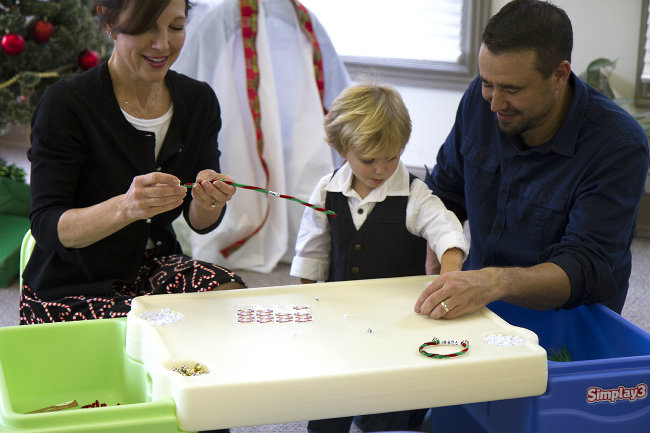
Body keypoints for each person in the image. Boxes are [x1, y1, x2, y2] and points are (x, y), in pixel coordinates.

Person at [415, 0, 649, 321]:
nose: (495, 102)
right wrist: (441, 266)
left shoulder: (618, 145)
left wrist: (494, 280)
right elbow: (445, 192)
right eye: (487, 83)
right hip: (479, 302)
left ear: (559, 74)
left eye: (512, 89)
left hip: (568, 321)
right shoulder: (480, 100)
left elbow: (582, 267)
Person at [20, 0, 246, 325]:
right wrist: (127, 207)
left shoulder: (199, 101)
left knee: (229, 301)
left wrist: (209, 199)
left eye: (176, 27)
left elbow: (200, 221)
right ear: (109, 22)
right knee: (152, 331)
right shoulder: (66, 104)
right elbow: (47, 225)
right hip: (71, 280)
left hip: (155, 265)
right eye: (145, 27)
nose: (162, 44)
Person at [290, 83, 469, 433]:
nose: (381, 169)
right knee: (332, 394)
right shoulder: (327, 189)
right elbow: (311, 249)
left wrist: (449, 274)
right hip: (338, 317)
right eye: (369, 160)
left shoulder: (415, 195)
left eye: (392, 157)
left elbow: (445, 228)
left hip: (394, 322)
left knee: (388, 405)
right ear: (342, 149)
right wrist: (308, 300)